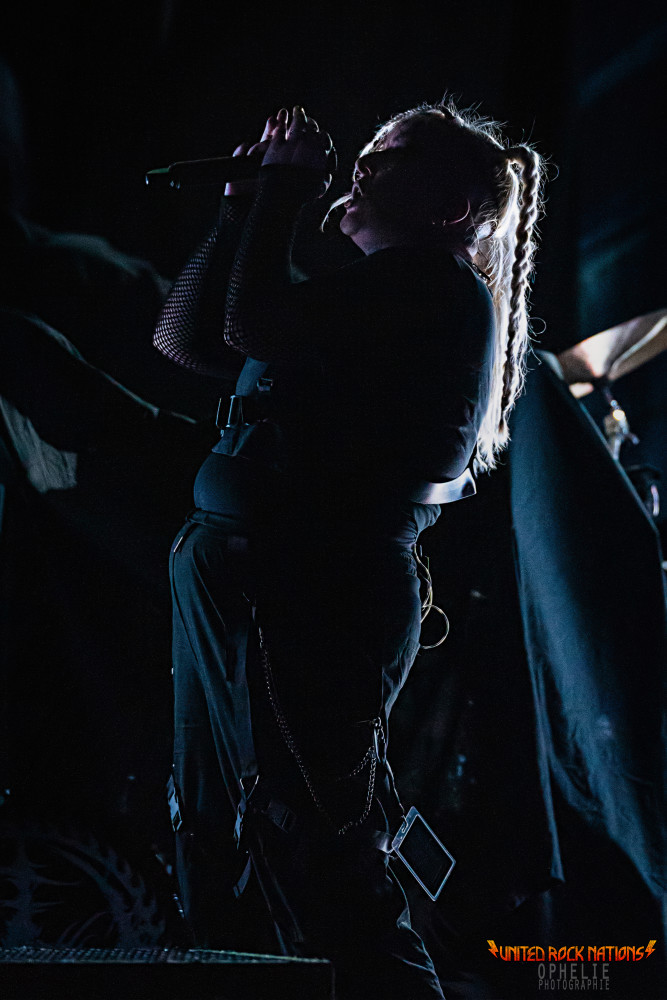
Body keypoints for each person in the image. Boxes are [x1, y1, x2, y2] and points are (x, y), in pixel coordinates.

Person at [154, 100, 544, 998]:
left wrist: (282, 196)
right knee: (220, 842)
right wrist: (239, 211)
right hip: (258, 584)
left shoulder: (427, 289)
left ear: (448, 207)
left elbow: (250, 326)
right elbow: (185, 339)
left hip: (312, 593)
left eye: (386, 157)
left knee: (316, 853)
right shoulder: (360, 301)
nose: (358, 168)